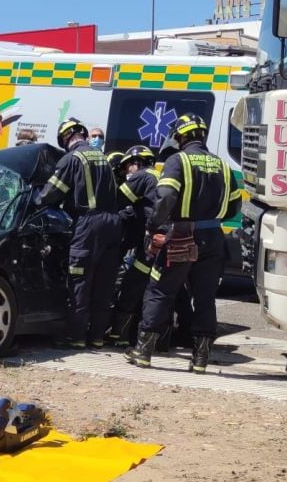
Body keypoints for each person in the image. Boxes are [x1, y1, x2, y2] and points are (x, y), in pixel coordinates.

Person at [128, 113, 241, 373]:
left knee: (160, 290)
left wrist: (154, 225)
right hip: (214, 237)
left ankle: (143, 352)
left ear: (182, 136)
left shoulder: (177, 161)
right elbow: (235, 206)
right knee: (205, 298)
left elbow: (166, 196)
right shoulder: (222, 165)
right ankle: (200, 359)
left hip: (181, 235)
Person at [36, 117, 123, 349]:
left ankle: (75, 337)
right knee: (104, 283)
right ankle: (96, 337)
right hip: (113, 224)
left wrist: (36, 199)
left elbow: (50, 194)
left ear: (65, 139)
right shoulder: (103, 158)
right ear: (83, 134)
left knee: (80, 281)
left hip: (88, 224)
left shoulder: (71, 159)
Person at [107, 145, 159, 347]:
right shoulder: (159, 175)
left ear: (135, 163)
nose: (126, 172)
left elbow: (117, 201)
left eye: (126, 167)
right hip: (161, 241)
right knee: (158, 292)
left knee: (132, 287)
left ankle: (118, 336)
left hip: (150, 245)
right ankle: (158, 340)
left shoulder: (142, 176)